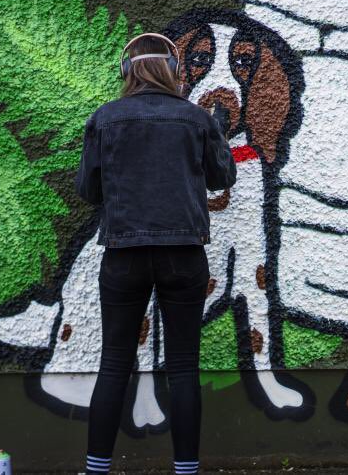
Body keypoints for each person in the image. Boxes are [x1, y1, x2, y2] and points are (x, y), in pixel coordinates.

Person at [74, 31, 237, 475]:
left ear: (127, 71)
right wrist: (216, 133)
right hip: (183, 256)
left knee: (114, 366)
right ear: (174, 71)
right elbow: (223, 179)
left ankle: (97, 470)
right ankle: (186, 471)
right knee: (183, 367)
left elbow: (89, 190)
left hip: (124, 257)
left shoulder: (104, 119)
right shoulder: (196, 119)